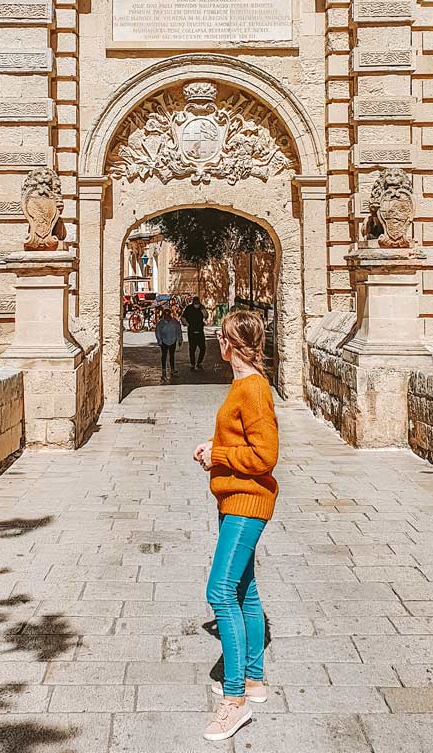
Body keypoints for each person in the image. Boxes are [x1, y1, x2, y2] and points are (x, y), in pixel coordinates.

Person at [193, 310, 279, 742]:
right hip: (235, 498)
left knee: (220, 591)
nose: (217, 341)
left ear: (230, 344)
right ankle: (254, 679)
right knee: (245, 588)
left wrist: (220, 457)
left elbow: (265, 456)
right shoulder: (244, 386)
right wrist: (217, 447)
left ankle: (234, 701)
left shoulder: (254, 389)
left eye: (220, 336)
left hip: (248, 503)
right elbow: (245, 442)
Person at [154, 307, 182, 382]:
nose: (166, 316)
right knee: (164, 356)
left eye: (168, 314)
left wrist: (180, 339)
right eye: (165, 315)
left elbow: (179, 331)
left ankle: (172, 370)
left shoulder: (175, 322)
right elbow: (157, 332)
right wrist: (159, 340)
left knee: (172, 356)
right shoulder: (161, 323)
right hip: (164, 341)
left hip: (173, 340)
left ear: (170, 315)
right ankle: (163, 371)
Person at [183, 296, 208, 371]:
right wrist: (188, 325)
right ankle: (192, 364)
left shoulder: (201, 308)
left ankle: (199, 363)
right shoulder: (189, 308)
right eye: (196, 303)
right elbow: (183, 317)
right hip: (192, 332)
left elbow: (206, 316)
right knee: (192, 349)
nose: (197, 304)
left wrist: (203, 309)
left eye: (198, 303)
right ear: (193, 302)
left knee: (203, 348)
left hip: (200, 331)